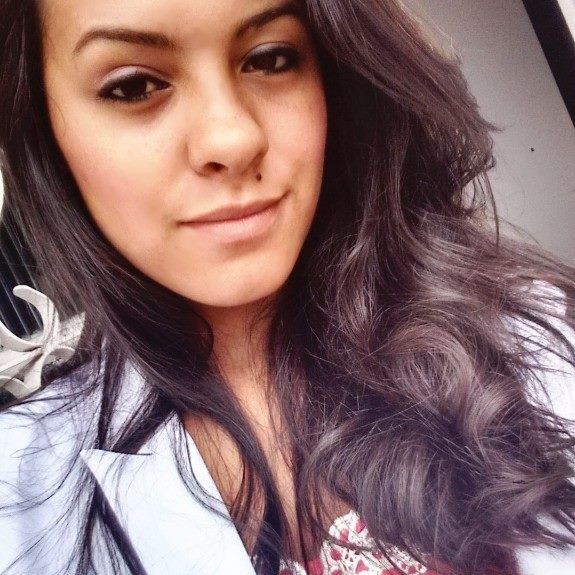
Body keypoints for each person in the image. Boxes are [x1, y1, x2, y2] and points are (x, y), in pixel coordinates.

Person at [0, 0, 574, 574]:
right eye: (134, 86)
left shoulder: (536, 336)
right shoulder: (18, 493)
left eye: (270, 58)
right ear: (45, 128)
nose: (233, 139)